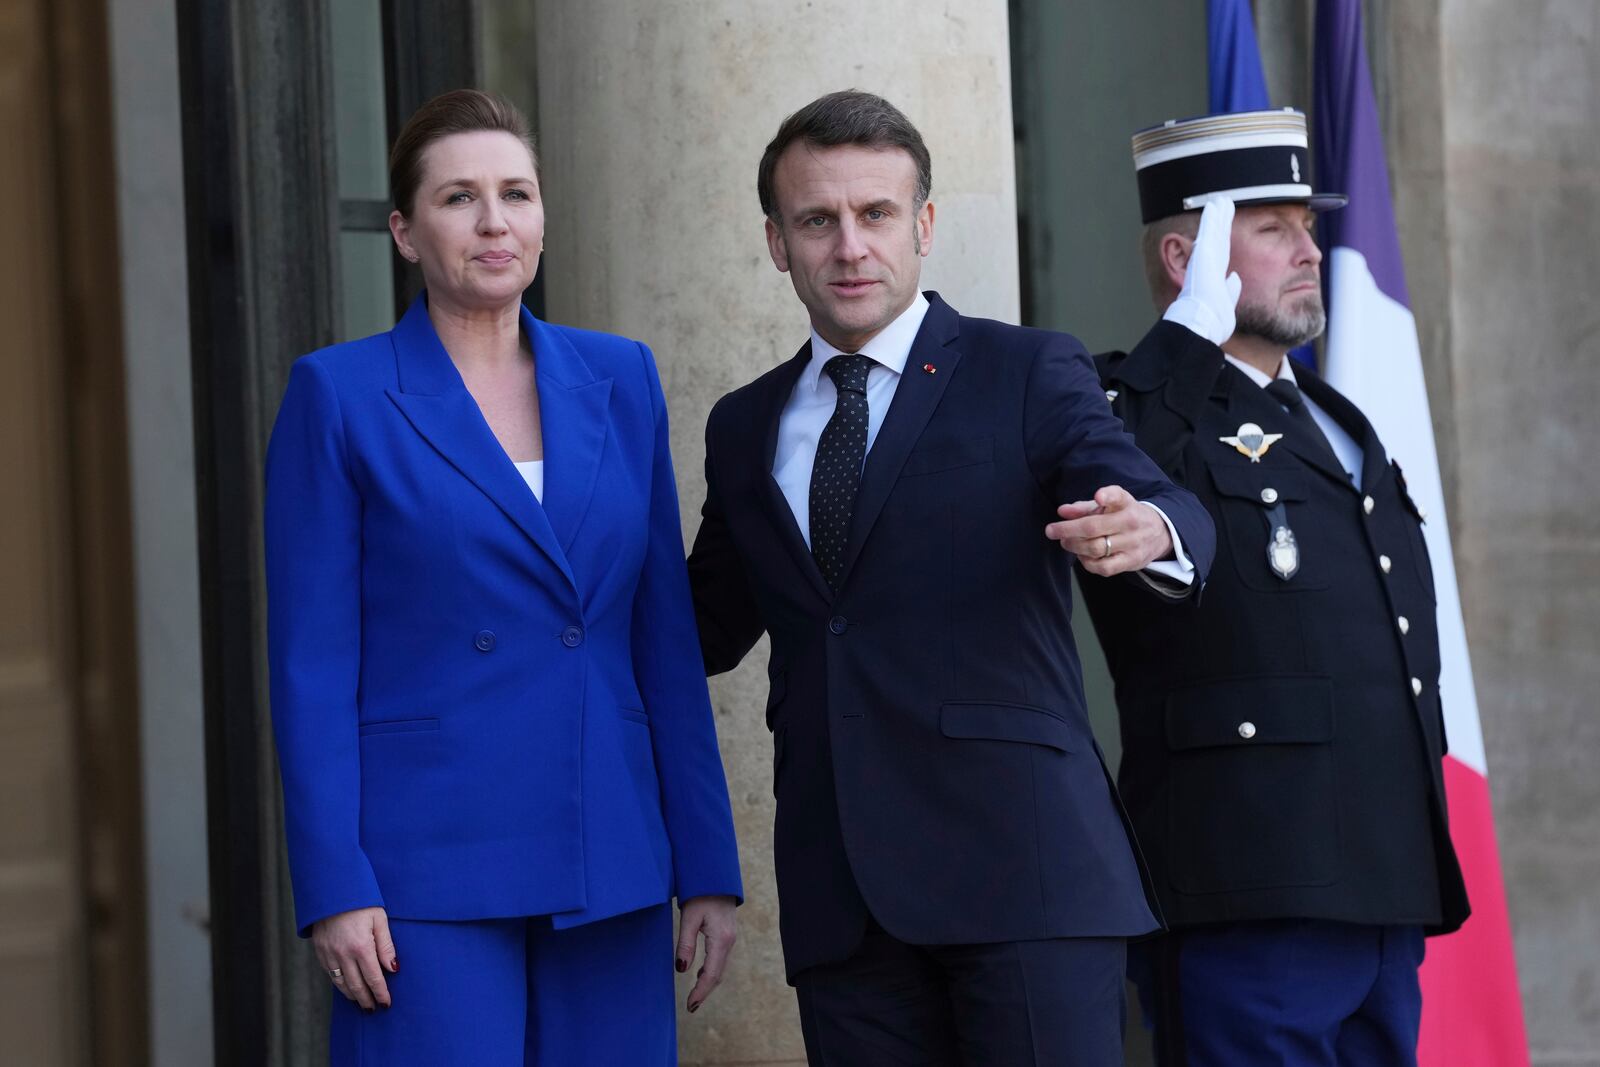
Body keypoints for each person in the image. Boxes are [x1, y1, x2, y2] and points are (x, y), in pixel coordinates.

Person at [686, 90, 1215, 1065]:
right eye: (817, 219)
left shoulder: (1024, 370)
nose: (850, 245)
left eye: (876, 214)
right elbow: (699, 627)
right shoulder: (743, 424)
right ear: (776, 240)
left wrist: (1154, 526)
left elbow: (1127, 479)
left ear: (923, 225)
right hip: (842, 899)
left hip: (1025, 880)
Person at [264, 89, 741, 1066]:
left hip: (608, 849)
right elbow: (311, 664)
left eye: (515, 194)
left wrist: (707, 865)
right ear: (404, 229)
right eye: (458, 198)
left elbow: (662, 638)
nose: (494, 222)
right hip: (420, 870)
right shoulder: (338, 393)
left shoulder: (622, 378)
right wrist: (334, 882)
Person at [1079, 108, 1470, 1066]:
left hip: (1382, 881)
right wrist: (1184, 343)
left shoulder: (1337, 417)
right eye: (1271, 228)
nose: (1310, 250)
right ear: (1188, 258)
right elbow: (1109, 465)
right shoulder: (1124, 406)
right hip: (1247, 886)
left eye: (1309, 223)